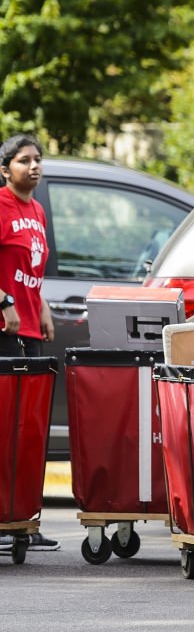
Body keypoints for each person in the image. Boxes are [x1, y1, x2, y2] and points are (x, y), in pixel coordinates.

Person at [0, 134, 60, 553]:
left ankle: (24, 521)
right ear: (6, 170)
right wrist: (4, 303)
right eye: (25, 161)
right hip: (5, 330)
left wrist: (42, 306)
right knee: (5, 428)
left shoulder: (36, 209)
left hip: (31, 331)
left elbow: (31, 267)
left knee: (28, 430)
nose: (35, 167)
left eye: (38, 159)